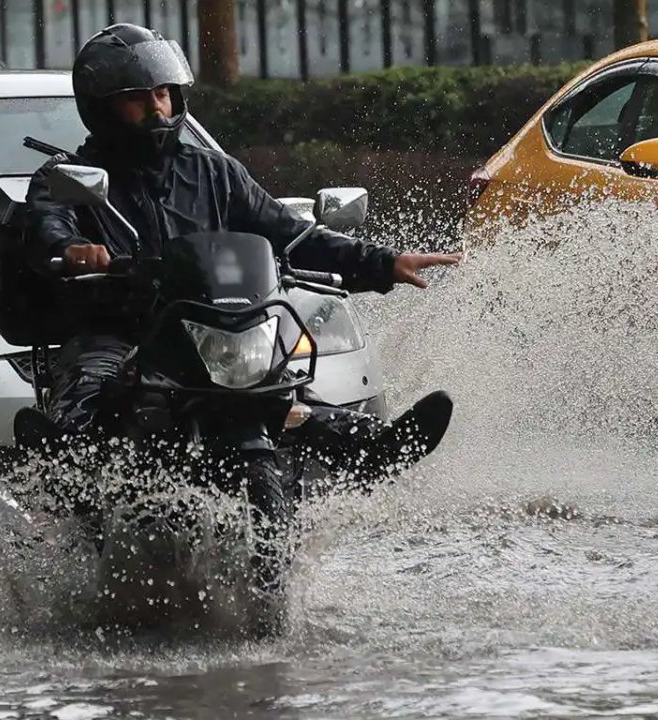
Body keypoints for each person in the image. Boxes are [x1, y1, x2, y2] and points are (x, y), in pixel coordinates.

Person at [24, 23, 460, 485]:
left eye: (163, 93)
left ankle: (371, 448)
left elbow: (288, 232)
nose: (156, 106)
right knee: (88, 399)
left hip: (208, 326)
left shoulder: (215, 172)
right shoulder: (70, 176)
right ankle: (62, 478)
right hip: (116, 328)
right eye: (138, 97)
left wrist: (383, 262)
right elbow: (48, 224)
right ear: (102, 107)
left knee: (279, 386)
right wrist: (72, 251)